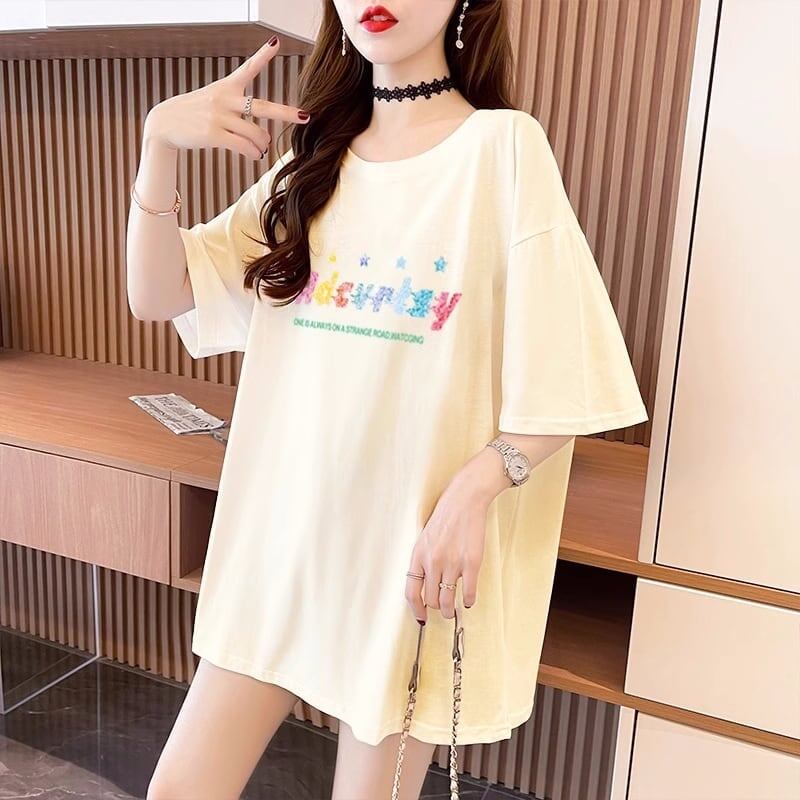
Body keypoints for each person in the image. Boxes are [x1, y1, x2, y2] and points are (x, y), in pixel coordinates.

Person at [127, 1, 649, 798]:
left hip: (407, 564)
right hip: (281, 544)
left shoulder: (503, 150)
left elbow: (570, 372)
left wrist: (474, 491)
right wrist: (159, 143)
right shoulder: (313, 162)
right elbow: (158, 293)